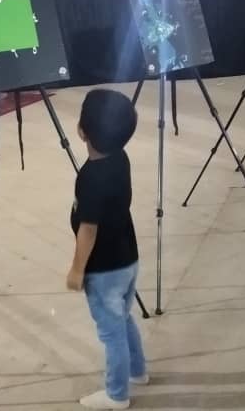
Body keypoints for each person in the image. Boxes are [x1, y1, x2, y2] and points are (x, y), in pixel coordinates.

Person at [66, 89, 147, 410]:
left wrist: (77, 269)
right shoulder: (121, 158)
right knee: (123, 318)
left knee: (111, 333)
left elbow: (88, 230)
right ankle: (138, 371)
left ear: (82, 131)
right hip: (128, 257)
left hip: (104, 269)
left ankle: (117, 394)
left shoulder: (90, 177)